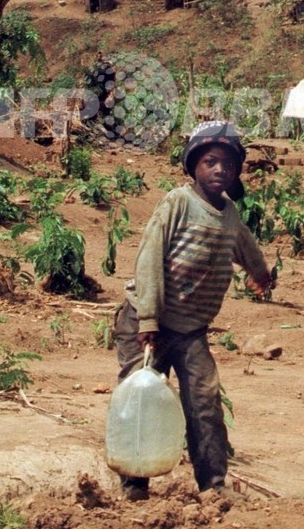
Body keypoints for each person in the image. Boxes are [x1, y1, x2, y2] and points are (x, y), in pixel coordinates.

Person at [114, 122, 272, 501]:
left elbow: (246, 249)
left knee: (205, 406)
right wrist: (149, 319)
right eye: (210, 162)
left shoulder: (229, 214)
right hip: (145, 322)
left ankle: (213, 486)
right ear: (193, 166)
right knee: (142, 402)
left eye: (227, 166)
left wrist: (261, 274)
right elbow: (149, 259)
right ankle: (134, 486)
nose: (220, 171)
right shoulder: (177, 203)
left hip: (190, 330)